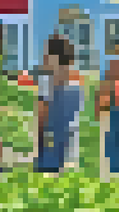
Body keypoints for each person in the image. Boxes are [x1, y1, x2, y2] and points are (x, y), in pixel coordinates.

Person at [36, 35, 84, 173]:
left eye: (46, 53)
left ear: (54, 57)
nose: (44, 57)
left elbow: (42, 117)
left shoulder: (46, 82)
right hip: (71, 147)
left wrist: (39, 146)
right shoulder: (77, 83)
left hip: (50, 145)